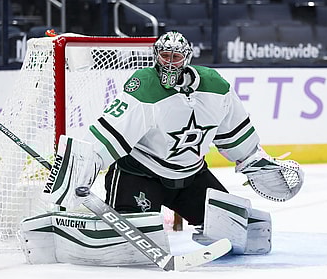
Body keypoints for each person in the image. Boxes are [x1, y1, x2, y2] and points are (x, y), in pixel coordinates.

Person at [20, 31, 304, 266]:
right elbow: (108, 136)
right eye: (164, 56)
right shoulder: (145, 87)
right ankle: (64, 233)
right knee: (131, 245)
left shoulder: (216, 87)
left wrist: (255, 161)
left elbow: (236, 135)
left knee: (246, 231)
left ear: (187, 58)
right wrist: (82, 169)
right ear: (156, 56)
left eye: (176, 56)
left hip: (191, 177)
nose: (169, 63)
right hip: (140, 176)